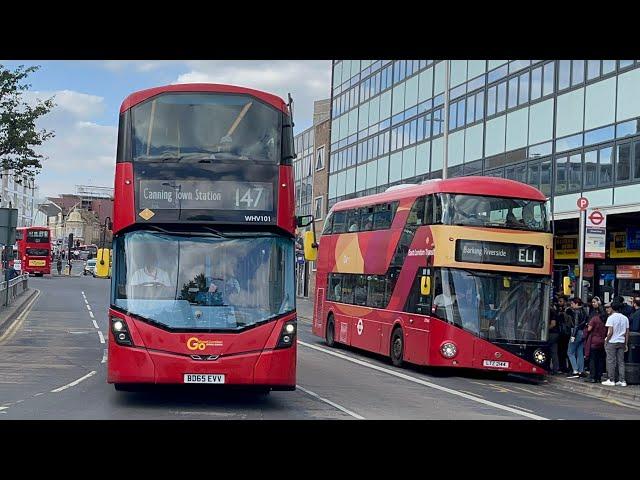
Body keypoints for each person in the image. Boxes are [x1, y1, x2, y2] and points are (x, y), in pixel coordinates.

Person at [602, 302, 630, 387]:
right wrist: (626, 343)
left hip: (612, 341)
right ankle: (622, 380)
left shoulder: (611, 318)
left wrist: (607, 340)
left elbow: (610, 332)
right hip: (621, 341)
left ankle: (611, 379)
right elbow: (627, 332)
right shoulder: (625, 318)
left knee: (611, 361)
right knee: (621, 361)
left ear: (613, 308)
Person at [584, 306, 607, 383]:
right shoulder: (606, 319)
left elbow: (589, 329)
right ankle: (598, 377)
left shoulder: (595, 319)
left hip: (594, 341)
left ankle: (592, 376)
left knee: (593, 359)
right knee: (600, 360)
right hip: (603, 341)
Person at [566, 297, 587, 378]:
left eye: (572, 303)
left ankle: (575, 370)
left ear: (576, 303)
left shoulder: (576, 312)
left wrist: (573, 336)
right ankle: (581, 370)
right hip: (582, 332)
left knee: (570, 352)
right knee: (580, 352)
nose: (571, 305)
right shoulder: (584, 311)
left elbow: (576, 325)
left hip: (576, 332)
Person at [548, 307, 560, 374]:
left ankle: (551, 368)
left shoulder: (551, 312)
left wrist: (546, 329)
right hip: (556, 334)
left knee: (551, 351)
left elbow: (553, 324)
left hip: (552, 333)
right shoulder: (554, 312)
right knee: (554, 351)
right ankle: (555, 368)